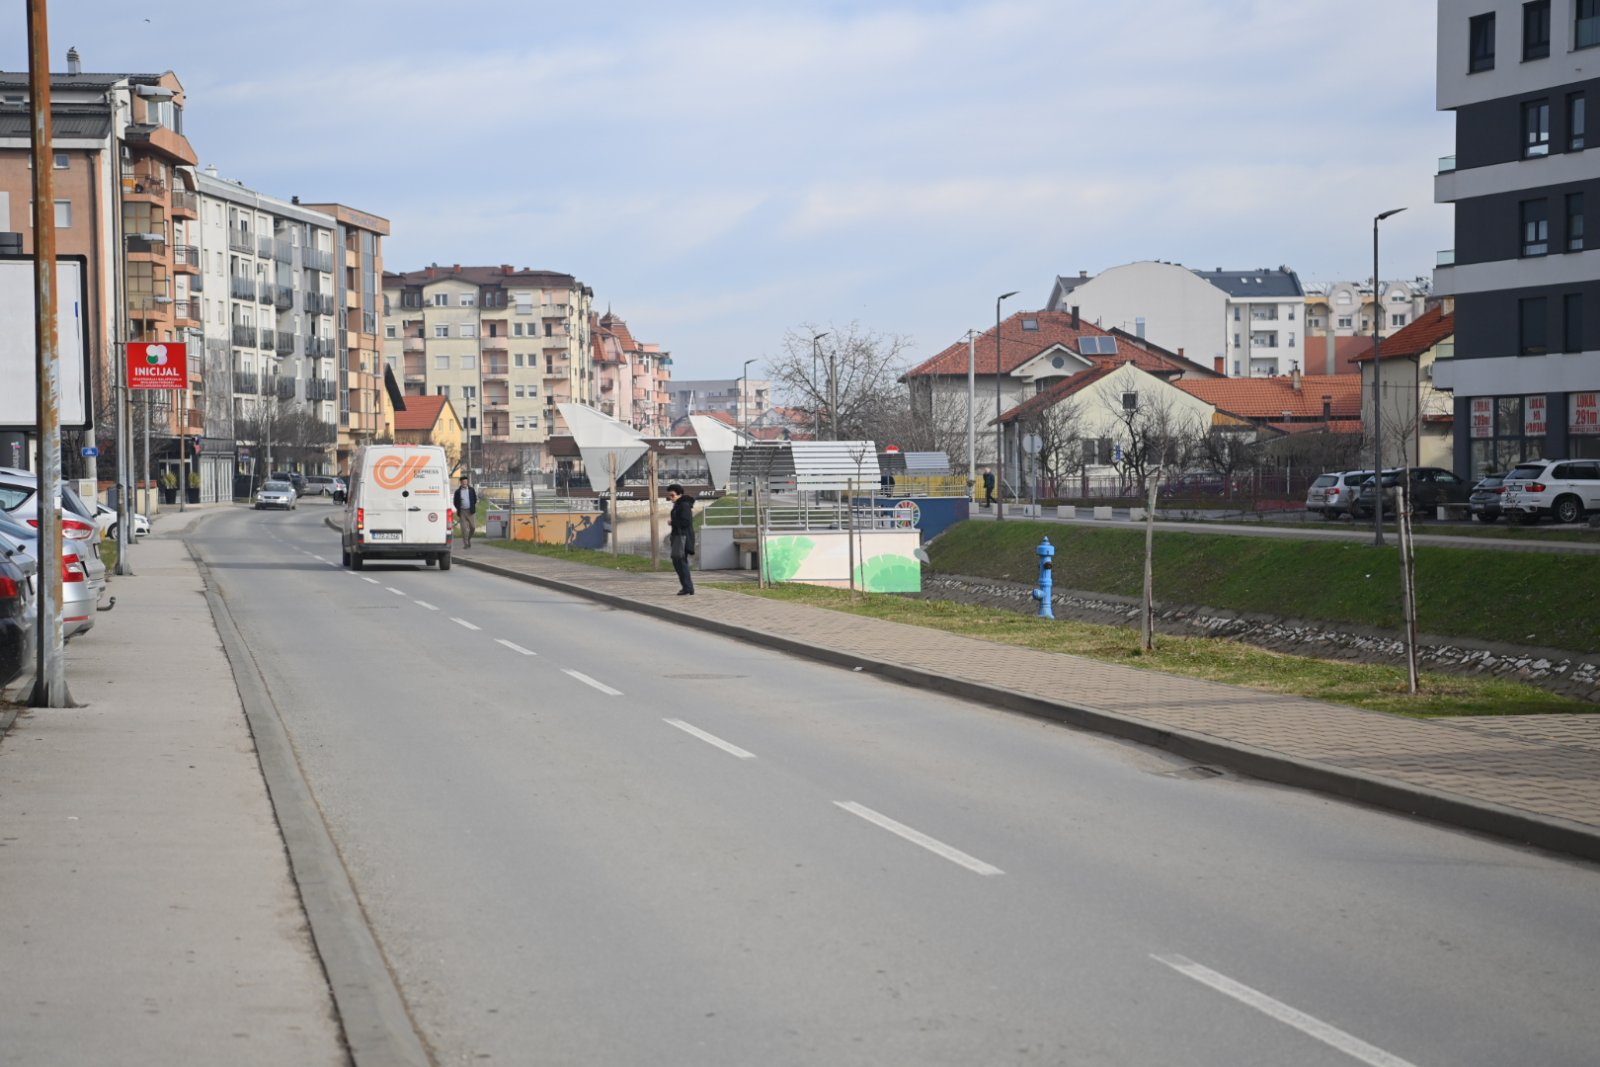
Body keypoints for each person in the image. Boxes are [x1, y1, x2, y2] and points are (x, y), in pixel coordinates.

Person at [666, 483, 696, 595]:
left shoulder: (684, 505)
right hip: (678, 536)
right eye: (669, 496)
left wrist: (672, 522)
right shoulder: (679, 504)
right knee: (678, 562)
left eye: (672, 495)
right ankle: (687, 587)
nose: (670, 498)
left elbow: (685, 522)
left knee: (680, 563)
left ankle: (688, 587)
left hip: (681, 537)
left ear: (679, 494)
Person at [453, 474, 478, 548]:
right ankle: (466, 544)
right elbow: (455, 502)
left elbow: (475, 499)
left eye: (466, 482)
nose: (464, 483)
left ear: (467, 482)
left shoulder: (471, 490)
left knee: (473, 527)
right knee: (464, 529)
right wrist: (459, 507)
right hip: (462, 512)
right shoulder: (458, 492)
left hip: (470, 511)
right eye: (463, 482)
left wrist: (472, 506)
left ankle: (468, 539)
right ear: (461, 483)